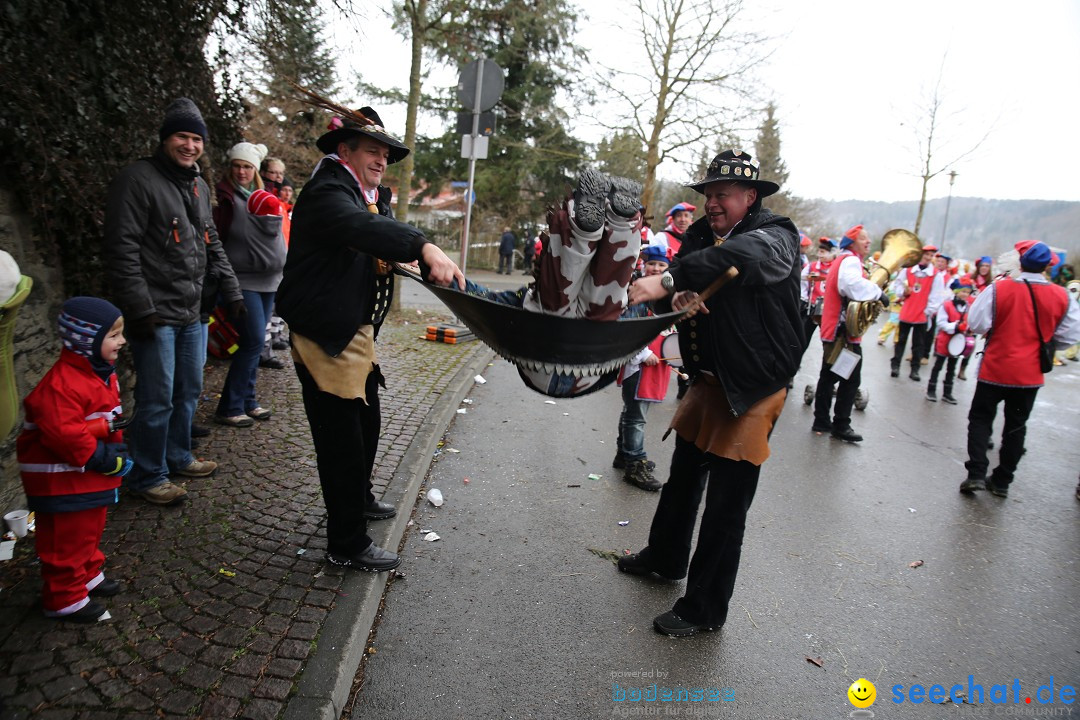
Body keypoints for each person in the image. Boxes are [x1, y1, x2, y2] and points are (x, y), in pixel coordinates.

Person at [617, 149, 804, 637]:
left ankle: (704, 609)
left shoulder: (777, 235)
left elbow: (743, 259)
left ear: (751, 196)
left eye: (723, 195)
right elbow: (697, 281)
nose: (713, 203)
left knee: (726, 506)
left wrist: (670, 280)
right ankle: (666, 557)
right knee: (683, 475)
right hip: (708, 378)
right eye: (709, 194)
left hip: (755, 385)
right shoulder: (700, 233)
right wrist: (682, 294)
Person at [276, 104, 463, 572]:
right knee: (341, 441)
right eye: (372, 151)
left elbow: (365, 240)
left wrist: (406, 261)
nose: (381, 160)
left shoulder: (361, 194)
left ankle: (357, 499)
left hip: (351, 332)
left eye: (385, 154)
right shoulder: (328, 191)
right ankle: (346, 542)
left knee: (367, 423)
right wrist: (423, 244)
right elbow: (360, 229)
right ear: (345, 151)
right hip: (327, 333)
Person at [104, 98, 243, 506]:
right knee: (157, 396)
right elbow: (122, 248)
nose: (190, 145)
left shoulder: (198, 185)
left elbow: (210, 241)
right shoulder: (138, 180)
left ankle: (178, 455)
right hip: (156, 312)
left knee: (189, 390)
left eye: (196, 138)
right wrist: (139, 307)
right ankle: (148, 474)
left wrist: (231, 289)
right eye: (182, 136)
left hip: (193, 311)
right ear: (166, 139)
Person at [17, 297, 131, 621]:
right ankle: (63, 598)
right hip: (60, 480)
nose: (122, 341)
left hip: (83, 475)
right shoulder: (60, 384)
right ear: (86, 341)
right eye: (113, 335)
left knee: (89, 529)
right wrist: (98, 456)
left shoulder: (99, 372)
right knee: (65, 540)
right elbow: (64, 433)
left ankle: (87, 574)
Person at [959, 241, 1079, 497]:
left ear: (1020, 261)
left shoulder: (998, 288)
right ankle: (1002, 481)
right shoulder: (1062, 295)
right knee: (1016, 426)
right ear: (1048, 266)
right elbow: (1071, 335)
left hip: (995, 367)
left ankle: (976, 474)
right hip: (1030, 374)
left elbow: (977, 323)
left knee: (980, 419)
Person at [214, 145, 288, 427]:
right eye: (237, 166)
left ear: (255, 169)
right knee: (254, 339)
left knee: (256, 341)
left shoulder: (262, 197)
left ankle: (248, 400)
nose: (242, 172)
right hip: (241, 280)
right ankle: (230, 405)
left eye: (247, 167)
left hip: (269, 281)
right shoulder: (225, 198)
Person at [811, 225, 886, 442]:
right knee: (850, 380)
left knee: (829, 376)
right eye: (864, 239)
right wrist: (878, 293)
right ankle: (841, 425)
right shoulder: (851, 260)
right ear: (852, 242)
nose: (869, 242)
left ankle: (822, 421)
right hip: (843, 332)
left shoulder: (844, 259)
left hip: (836, 328)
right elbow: (851, 286)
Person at [613, 244, 673, 491]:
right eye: (652, 264)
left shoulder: (667, 293)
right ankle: (634, 463)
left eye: (661, 265)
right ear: (644, 265)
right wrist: (644, 352)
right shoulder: (635, 291)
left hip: (656, 364)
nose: (656, 268)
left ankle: (624, 455)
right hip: (638, 363)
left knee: (633, 412)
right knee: (637, 416)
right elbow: (626, 327)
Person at [890, 243, 941, 381]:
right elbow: (898, 284)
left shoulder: (935, 275)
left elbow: (936, 296)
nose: (928, 258)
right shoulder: (908, 270)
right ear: (920, 255)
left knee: (918, 344)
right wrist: (902, 292)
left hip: (921, 314)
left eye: (931, 255)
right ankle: (895, 366)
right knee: (900, 340)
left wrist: (928, 311)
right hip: (907, 310)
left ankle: (915, 369)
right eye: (926, 255)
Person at [926, 277, 973, 404]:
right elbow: (941, 323)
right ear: (956, 291)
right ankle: (931, 390)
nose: (965, 294)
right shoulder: (946, 305)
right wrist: (955, 326)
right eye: (963, 291)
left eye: (968, 292)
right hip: (945, 340)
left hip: (958, 343)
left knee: (951, 368)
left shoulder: (968, 308)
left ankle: (947, 393)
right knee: (938, 366)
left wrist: (968, 329)